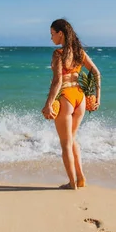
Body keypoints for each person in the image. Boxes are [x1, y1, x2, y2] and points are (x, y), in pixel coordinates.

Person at [42, 19, 101, 190]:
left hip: (66, 97)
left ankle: (72, 183)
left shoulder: (58, 54)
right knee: (73, 139)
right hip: (80, 98)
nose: (51, 38)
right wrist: (98, 98)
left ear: (60, 33)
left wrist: (48, 104)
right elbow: (96, 73)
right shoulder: (79, 52)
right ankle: (81, 177)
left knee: (65, 143)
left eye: (52, 34)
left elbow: (57, 81)